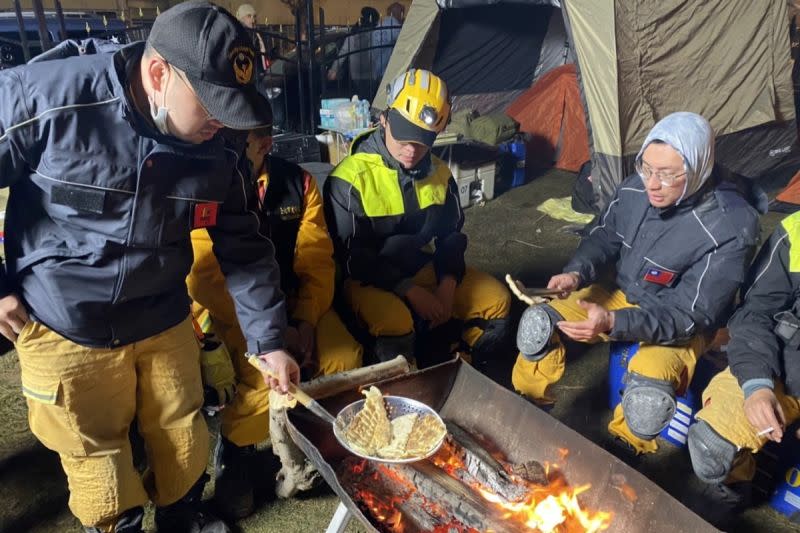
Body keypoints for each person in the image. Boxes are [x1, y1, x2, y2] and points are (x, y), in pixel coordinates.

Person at [0, 2, 298, 532]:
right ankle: (120, 524)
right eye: (211, 104)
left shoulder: (219, 142)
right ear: (159, 73)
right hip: (67, 323)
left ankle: (183, 515)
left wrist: (268, 339)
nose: (223, 122)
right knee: (96, 454)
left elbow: (244, 245)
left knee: (182, 432)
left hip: (162, 315)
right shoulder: (46, 98)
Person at [511, 112, 760, 455]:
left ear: (699, 168)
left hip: (681, 320)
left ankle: (625, 451)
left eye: (669, 175)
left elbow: (692, 315)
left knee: (648, 402)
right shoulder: (634, 187)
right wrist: (576, 272)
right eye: (647, 168)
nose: (652, 184)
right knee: (538, 325)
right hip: (621, 290)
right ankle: (527, 407)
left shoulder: (731, 227)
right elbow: (603, 236)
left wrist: (615, 324)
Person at [187, 119, 364, 519]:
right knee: (255, 377)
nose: (222, 150)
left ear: (265, 141)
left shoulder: (299, 185)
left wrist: (302, 321)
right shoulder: (203, 185)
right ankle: (236, 454)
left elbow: (317, 262)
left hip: (292, 305)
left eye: (239, 141)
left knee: (343, 356)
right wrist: (269, 333)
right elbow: (205, 277)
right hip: (224, 309)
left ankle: (316, 444)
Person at [324, 68, 511, 368]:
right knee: (395, 321)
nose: (412, 149)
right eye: (404, 135)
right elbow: (353, 258)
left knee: (496, 300)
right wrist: (408, 290)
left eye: (423, 140)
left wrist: (448, 283)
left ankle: (464, 369)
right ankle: (401, 383)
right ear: (383, 119)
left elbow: (451, 236)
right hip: (367, 278)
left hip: (421, 266)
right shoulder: (348, 180)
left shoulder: (439, 173)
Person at [686, 211, 800, 524]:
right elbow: (755, 313)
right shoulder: (795, 232)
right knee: (712, 443)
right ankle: (731, 489)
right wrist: (756, 384)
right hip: (784, 366)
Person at [327, 6, 380, 99]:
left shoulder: (354, 33)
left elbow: (343, 52)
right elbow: (378, 52)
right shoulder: (374, 33)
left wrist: (334, 69)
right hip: (370, 73)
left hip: (357, 73)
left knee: (363, 98)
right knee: (369, 98)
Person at [371, 2, 404, 81]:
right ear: (400, 13)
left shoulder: (380, 24)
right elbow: (404, 42)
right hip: (387, 69)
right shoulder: (395, 25)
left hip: (375, 66)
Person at [236, 3, 268, 72]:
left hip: (259, 73)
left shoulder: (256, 34)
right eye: (249, 16)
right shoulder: (237, 34)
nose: (253, 20)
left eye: (254, 16)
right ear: (241, 18)